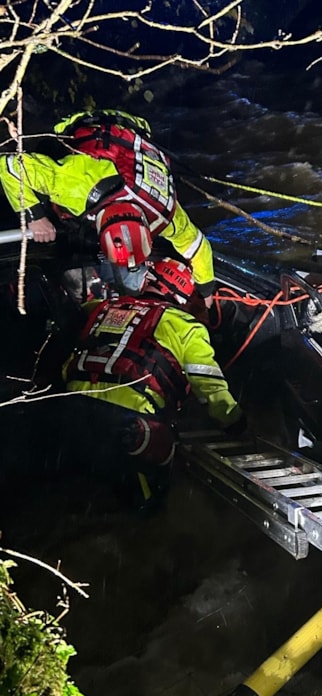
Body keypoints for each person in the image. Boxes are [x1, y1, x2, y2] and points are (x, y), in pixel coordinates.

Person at [61, 257, 245, 510]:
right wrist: (234, 421)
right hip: (131, 421)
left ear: (147, 280)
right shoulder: (186, 326)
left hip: (71, 408)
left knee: (73, 490)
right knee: (145, 500)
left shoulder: (99, 307)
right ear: (184, 297)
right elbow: (209, 385)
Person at [0, 110, 216, 302]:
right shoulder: (77, 185)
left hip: (132, 133)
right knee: (54, 202)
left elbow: (197, 245)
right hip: (88, 129)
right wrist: (34, 216)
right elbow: (9, 165)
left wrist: (206, 291)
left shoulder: (162, 212)